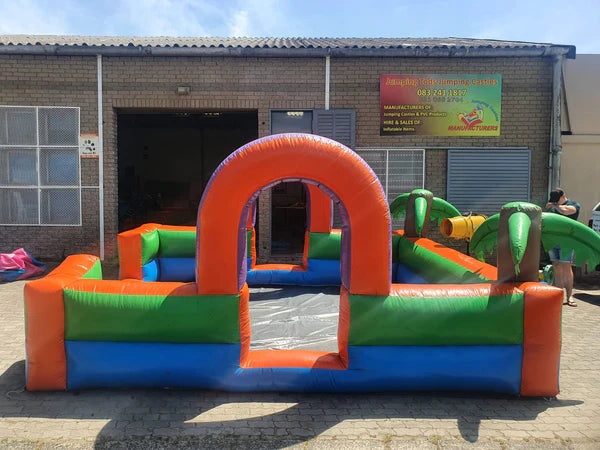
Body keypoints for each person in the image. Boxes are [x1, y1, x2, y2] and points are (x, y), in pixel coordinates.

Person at [545, 188, 581, 307]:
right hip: (553, 241)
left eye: (557, 201)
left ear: (563, 196)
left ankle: (569, 296)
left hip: (566, 242)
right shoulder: (555, 206)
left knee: (566, 267)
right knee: (556, 266)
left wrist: (554, 206)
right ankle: (558, 295)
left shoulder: (573, 204)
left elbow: (567, 211)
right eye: (554, 201)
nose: (555, 202)